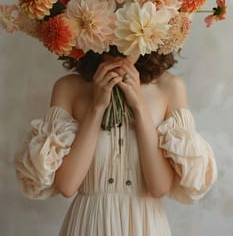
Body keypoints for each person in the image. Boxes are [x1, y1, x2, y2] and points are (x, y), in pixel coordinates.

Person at [15, 49, 217, 236]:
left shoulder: (169, 87)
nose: (120, 48)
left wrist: (138, 103)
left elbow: (159, 187)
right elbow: (67, 186)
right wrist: (97, 106)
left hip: (145, 225)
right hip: (89, 223)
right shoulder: (69, 87)